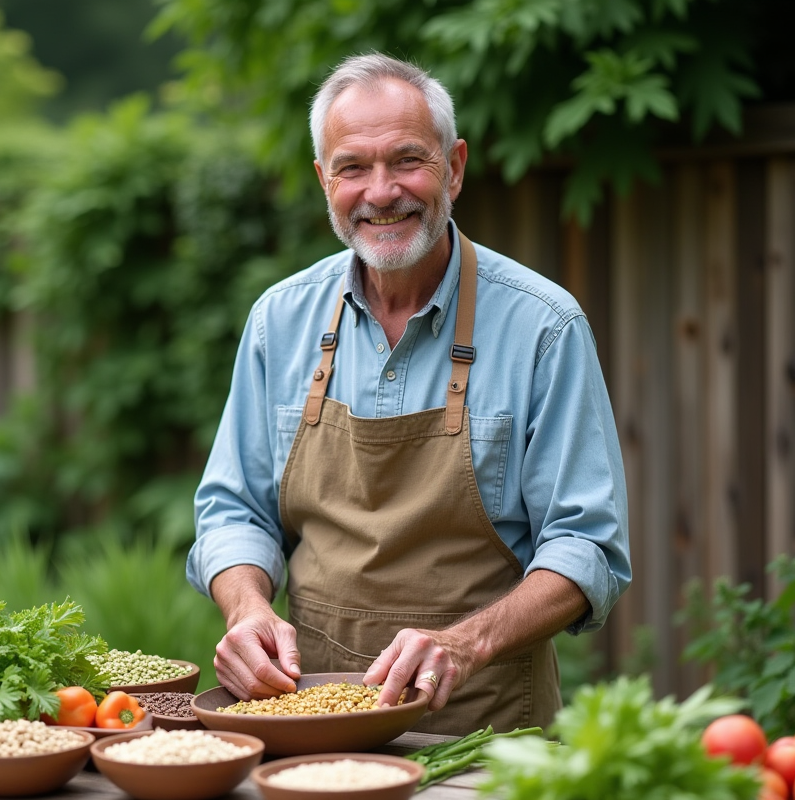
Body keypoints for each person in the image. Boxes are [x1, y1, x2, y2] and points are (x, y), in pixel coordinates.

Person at [187, 52, 631, 736]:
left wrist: (466, 644)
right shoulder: (281, 320)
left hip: (484, 737)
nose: (382, 190)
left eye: (406, 160)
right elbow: (234, 509)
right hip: (308, 726)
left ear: (453, 167)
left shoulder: (544, 326)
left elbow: (587, 548)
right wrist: (247, 607)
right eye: (353, 167)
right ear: (322, 180)